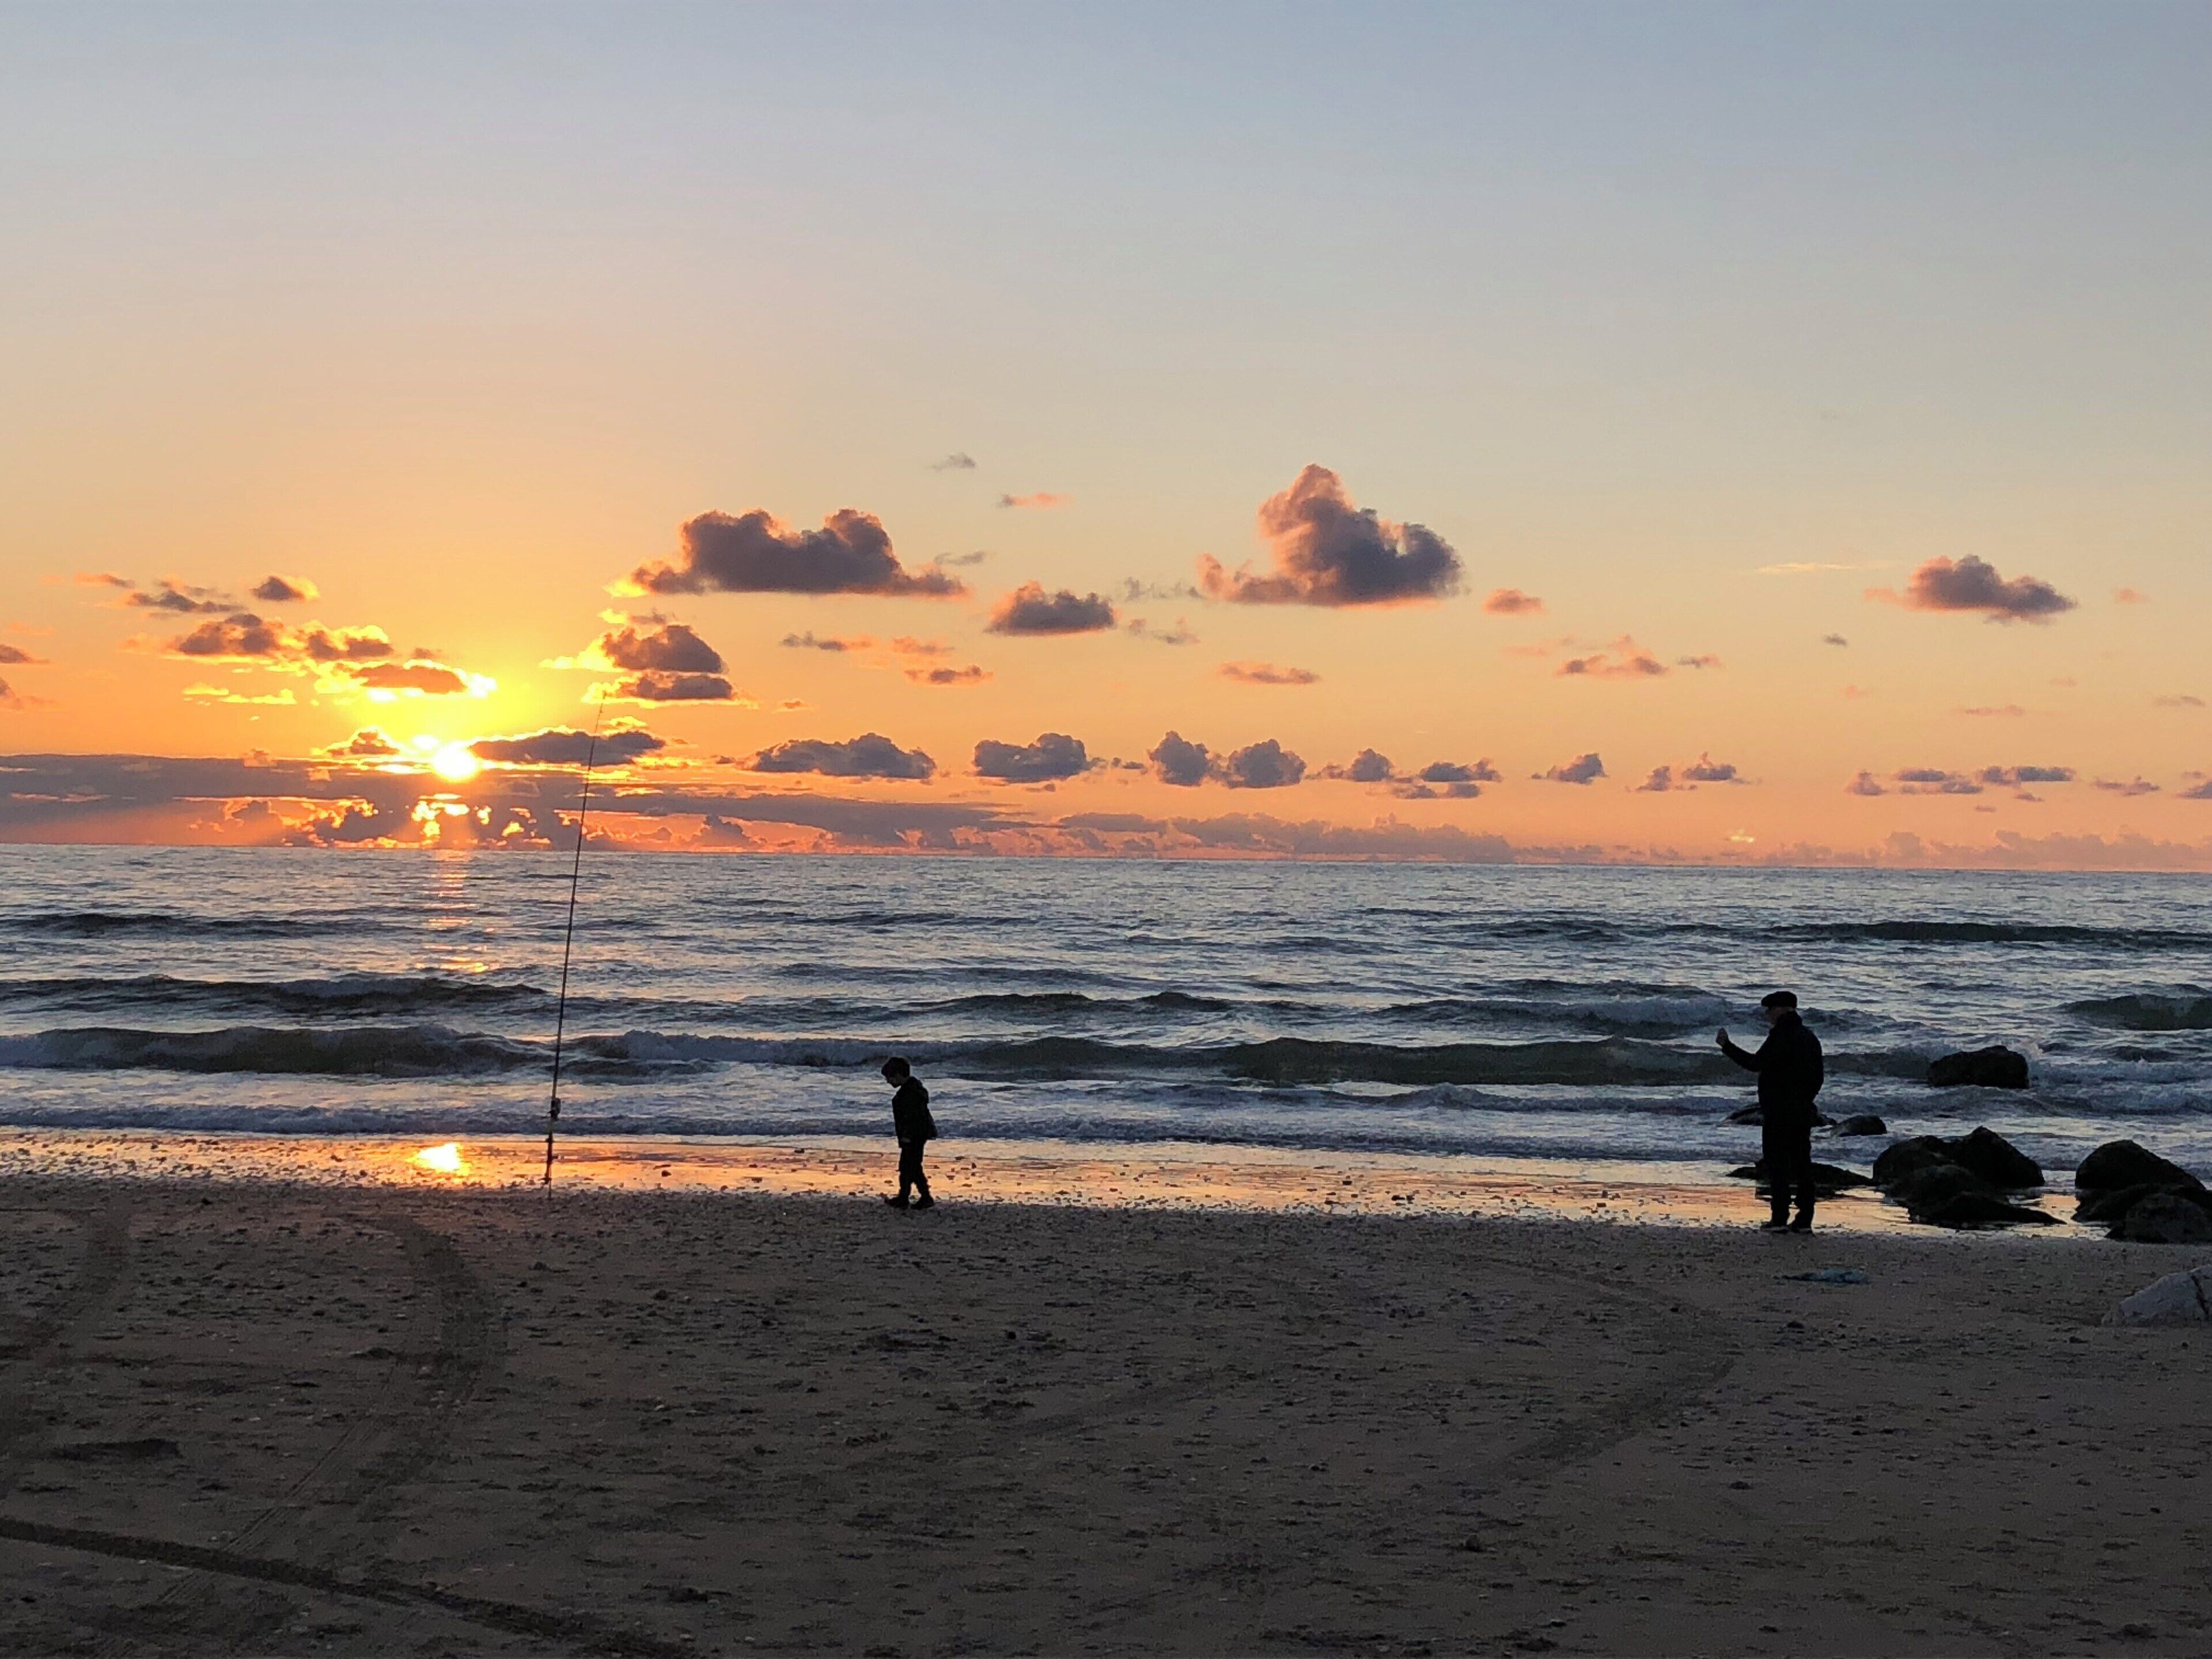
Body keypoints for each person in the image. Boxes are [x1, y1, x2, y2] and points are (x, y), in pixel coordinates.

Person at [1717, 990, 1824, 1232]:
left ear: (1781, 1009)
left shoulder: (1781, 1036)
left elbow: (1756, 1063)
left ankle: (1779, 1218)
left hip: (1779, 1110)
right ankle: (1805, 1219)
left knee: (1777, 1164)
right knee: (1802, 1164)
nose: (1767, 1015)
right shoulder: (1809, 1037)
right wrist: (1806, 1100)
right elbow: (1818, 1077)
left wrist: (1727, 1047)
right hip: (1801, 1110)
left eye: (1770, 1010)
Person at [881, 1056, 936, 1210]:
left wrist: (908, 1135)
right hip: (915, 1134)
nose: (888, 1082)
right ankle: (905, 1196)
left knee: (911, 1166)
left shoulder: (911, 1093)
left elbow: (914, 1117)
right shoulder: (913, 1090)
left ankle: (923, 1197)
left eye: (890, 1078)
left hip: (914, 1135)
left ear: (899, 1075)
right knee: (908, 1166)